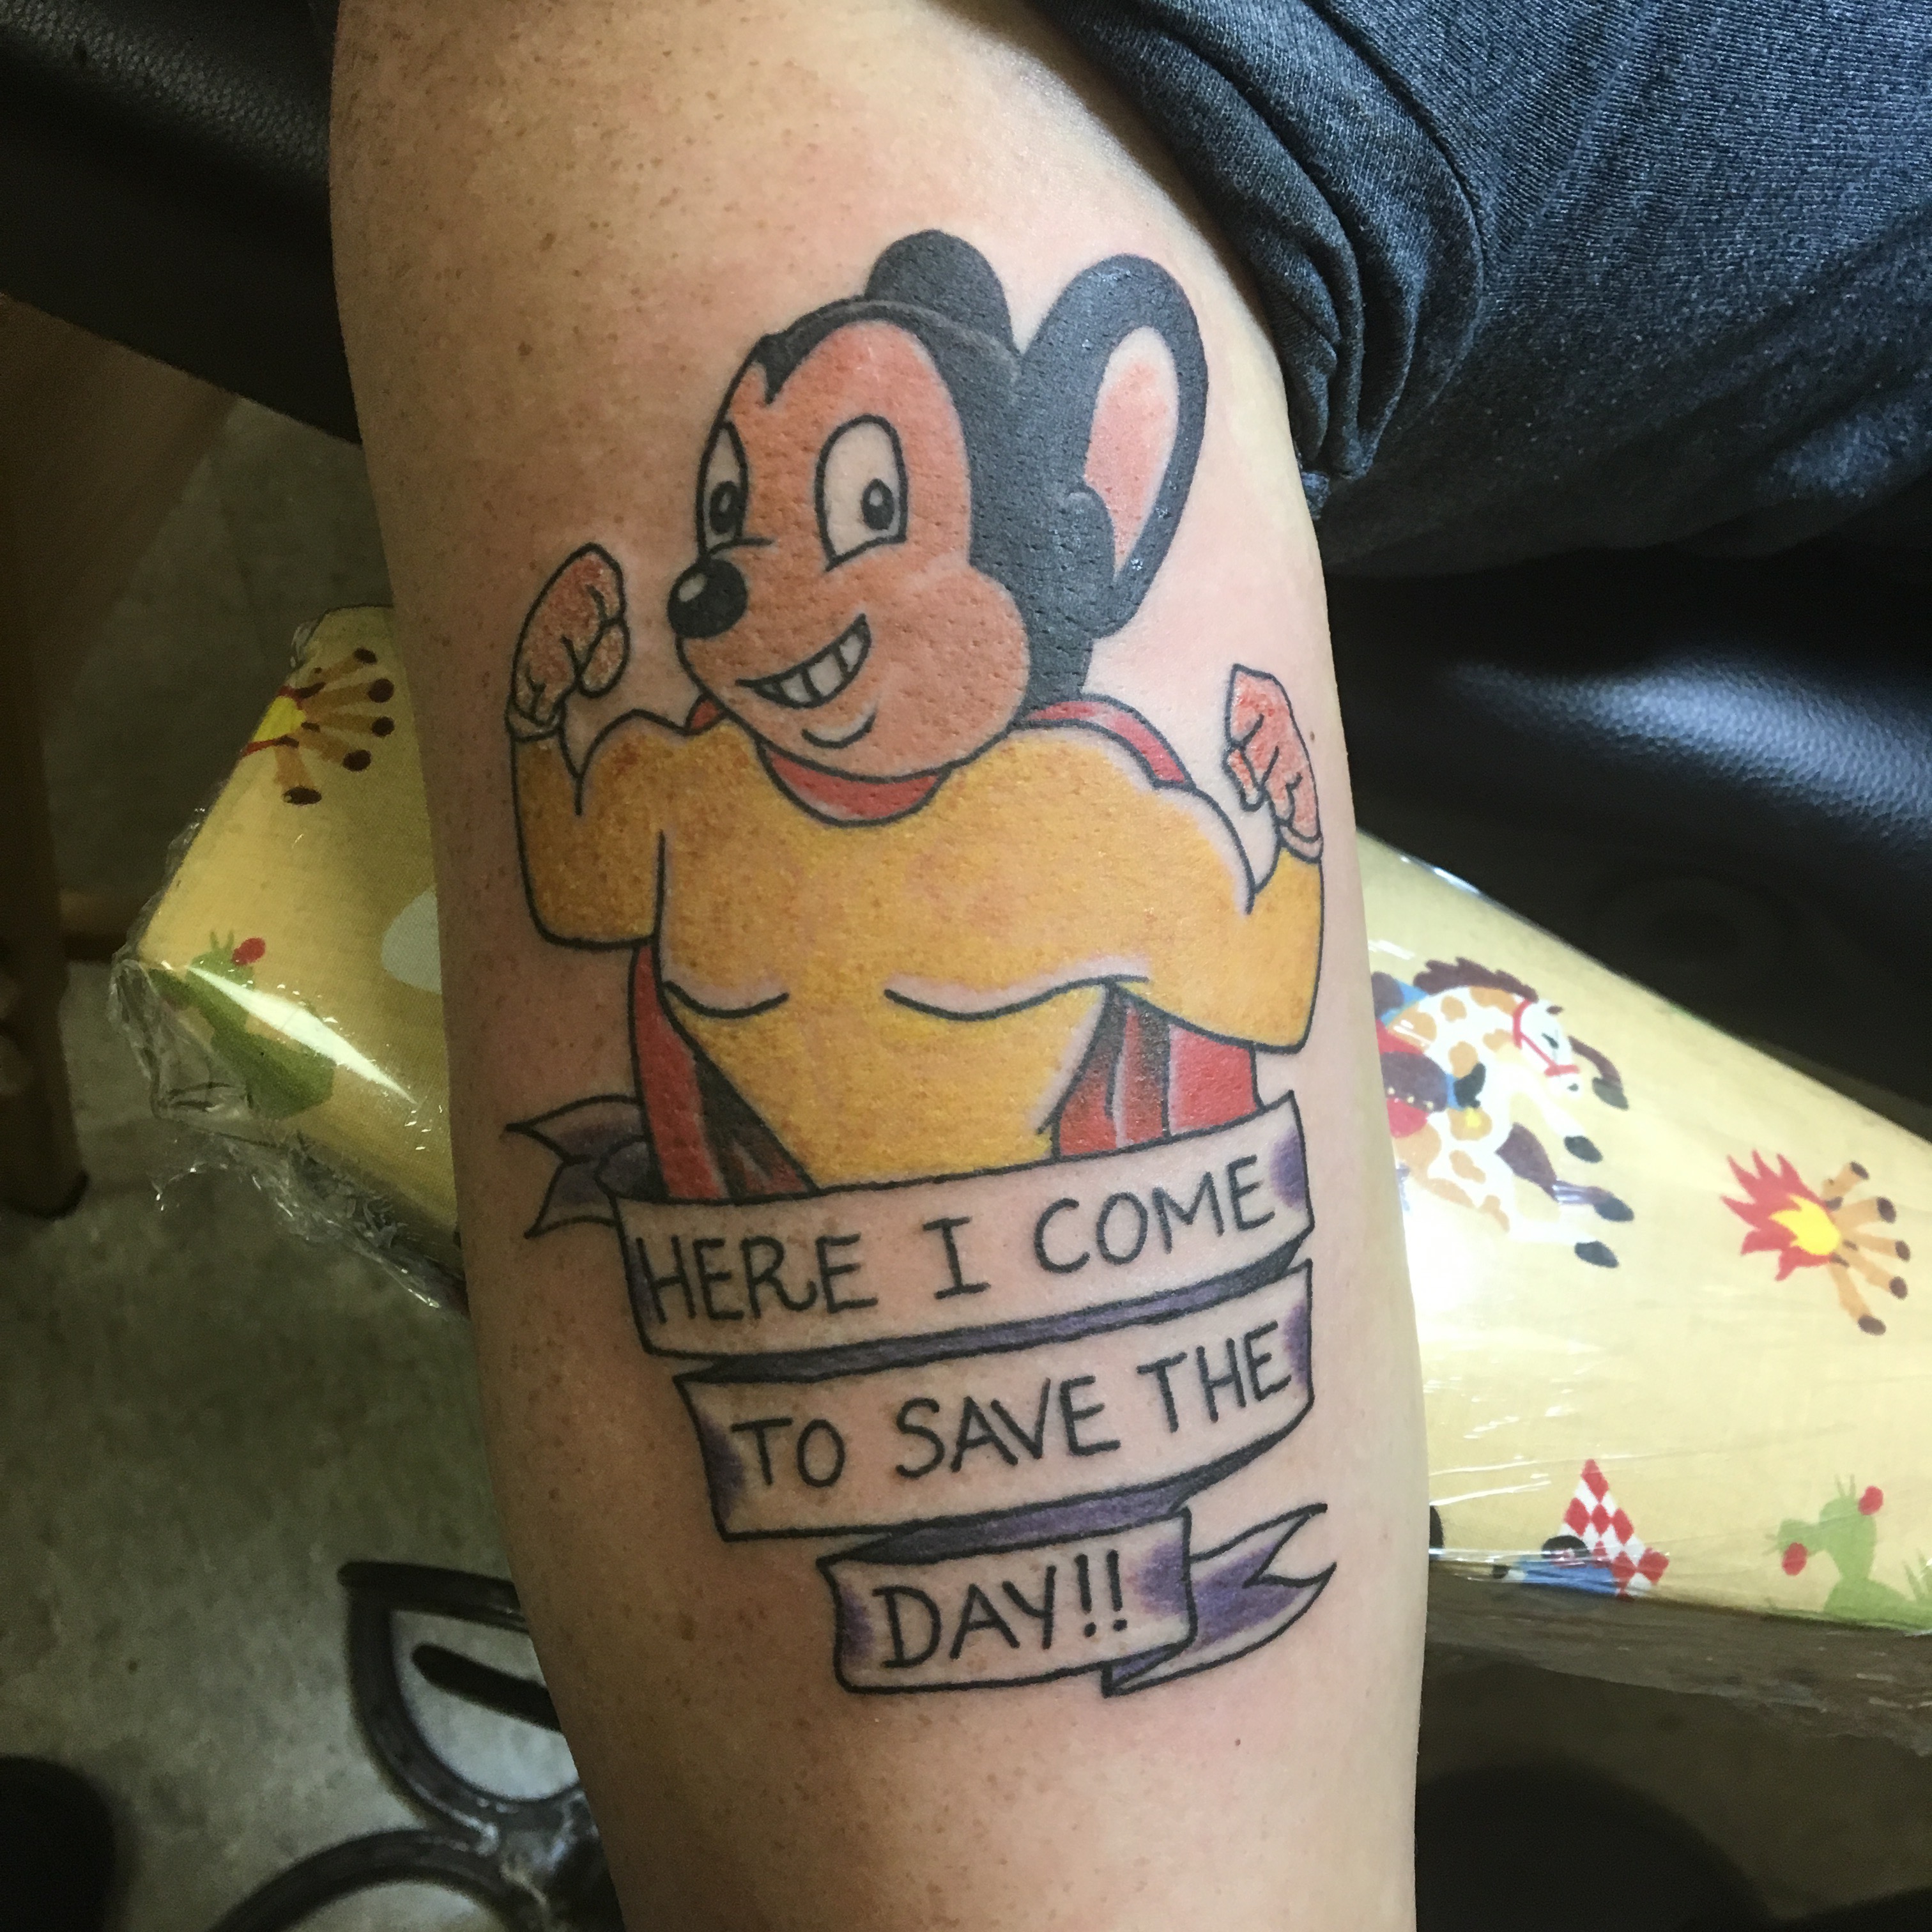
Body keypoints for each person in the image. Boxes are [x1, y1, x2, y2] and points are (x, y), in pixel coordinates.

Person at [324, 2, 1931, 1927]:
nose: (733, 576)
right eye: (736, 513)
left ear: (1048, 548)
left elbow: (1249, 987)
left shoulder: (1085, 818)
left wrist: (1274, 836)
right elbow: (585, 884)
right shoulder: (690, 783)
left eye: (860, 510)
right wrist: (551, 727)